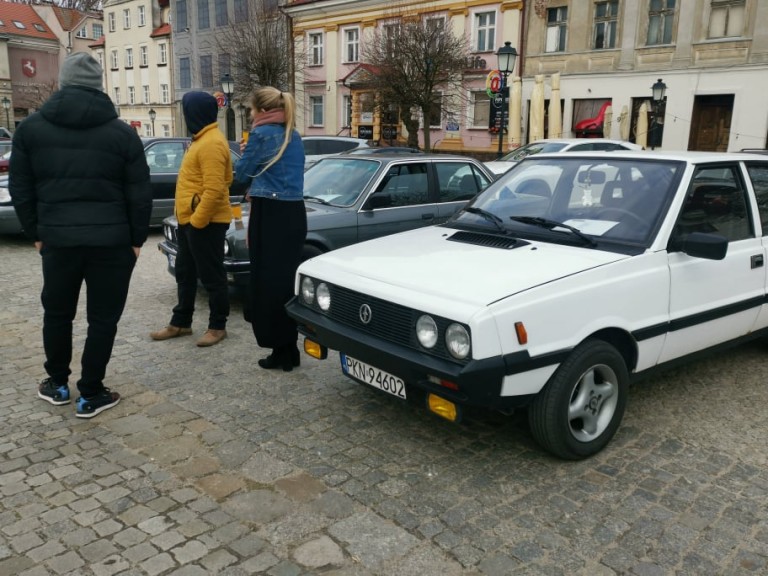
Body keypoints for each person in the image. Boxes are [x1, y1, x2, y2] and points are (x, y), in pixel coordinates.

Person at [9, 52, 152, 418]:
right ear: (98, 85)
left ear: (63, 82)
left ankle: (57, 383)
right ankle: (90, 392)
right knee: (103, 319)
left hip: (57, 240)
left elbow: (21, 188)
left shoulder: (30, 129)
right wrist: (136, 240)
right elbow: (139, 193)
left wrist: (36, 233)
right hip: (112, 242)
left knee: (57, 313)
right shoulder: (123, 134)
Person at [150, 92, 233, 347]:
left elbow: (217, 187)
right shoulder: (200, 139)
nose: (186, 116)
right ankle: (181, 323)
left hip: (205, 223)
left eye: (187, 111)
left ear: (194, 113)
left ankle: (218, 326)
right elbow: (224, 179)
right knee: (185, 273)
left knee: (212, 275)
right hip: (192, 221)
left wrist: (197, 219)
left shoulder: (211, 143)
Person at [235, 87, 306, 371]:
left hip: (271, 213)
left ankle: (281, 353)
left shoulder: (262, 135)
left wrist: (245, 154)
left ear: (262, 111)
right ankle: (289, 349)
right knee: (285, 284)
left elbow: (241, 175)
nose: (250, 114)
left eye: (252, 110)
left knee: (267, 284)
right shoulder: (294, 134)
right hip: (293, 214)